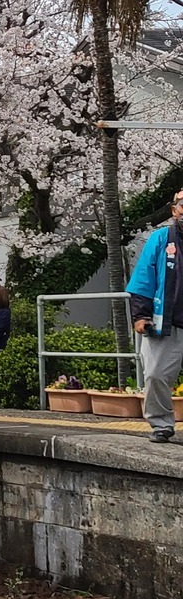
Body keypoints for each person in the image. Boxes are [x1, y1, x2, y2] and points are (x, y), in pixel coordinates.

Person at [126, 190, 183, 443]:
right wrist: (140, 315)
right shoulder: (160, 239)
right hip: (166, 321)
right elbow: (143, 279)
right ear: (174, 210)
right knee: (156, 374)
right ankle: (161, 423)